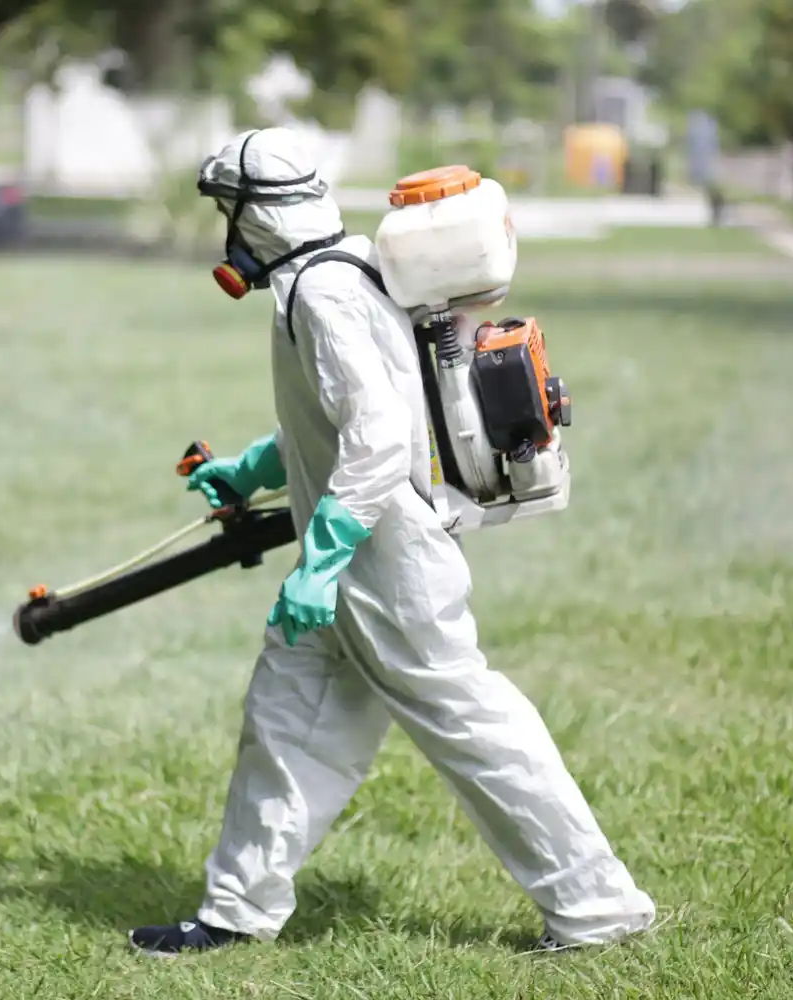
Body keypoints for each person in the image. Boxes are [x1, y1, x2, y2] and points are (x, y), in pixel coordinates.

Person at [128, 127, 656, 956]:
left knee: (471, 724)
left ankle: (598, 905)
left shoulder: (324, 295)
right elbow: (338, 412)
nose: (223, 229)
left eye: (228, 211)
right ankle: (237, 912)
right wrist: (250, 469)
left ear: (257, 216)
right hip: (355, 558)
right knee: (286, 720)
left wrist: (324, 559)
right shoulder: (332, 274)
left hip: (385, 560)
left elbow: (375, 437)